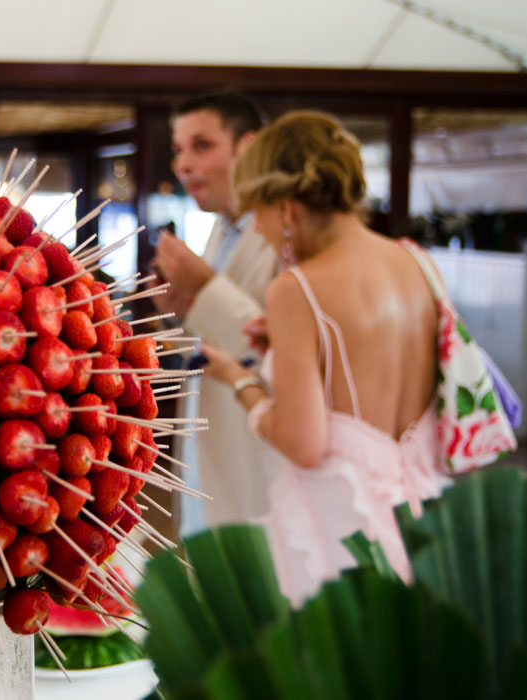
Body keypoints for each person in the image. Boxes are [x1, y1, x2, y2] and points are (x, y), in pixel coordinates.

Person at [200, 111, 451, 604]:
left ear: (288, 210)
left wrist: (238, 380)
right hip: (423, 512)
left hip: (342, 529)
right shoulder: (417, 262)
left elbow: (304, 443)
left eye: (260, 217)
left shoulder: (297, 290)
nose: (264, 235)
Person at [151, 92, 282, 535]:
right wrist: (180, 310)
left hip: (269, 449)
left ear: (248, 147)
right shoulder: (218, 230)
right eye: (179, 150)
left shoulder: (286, 233)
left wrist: (205, 288)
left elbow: (285, 344)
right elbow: (211, 332)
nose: (183, 165)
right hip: (212, 439)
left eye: (201, 146)